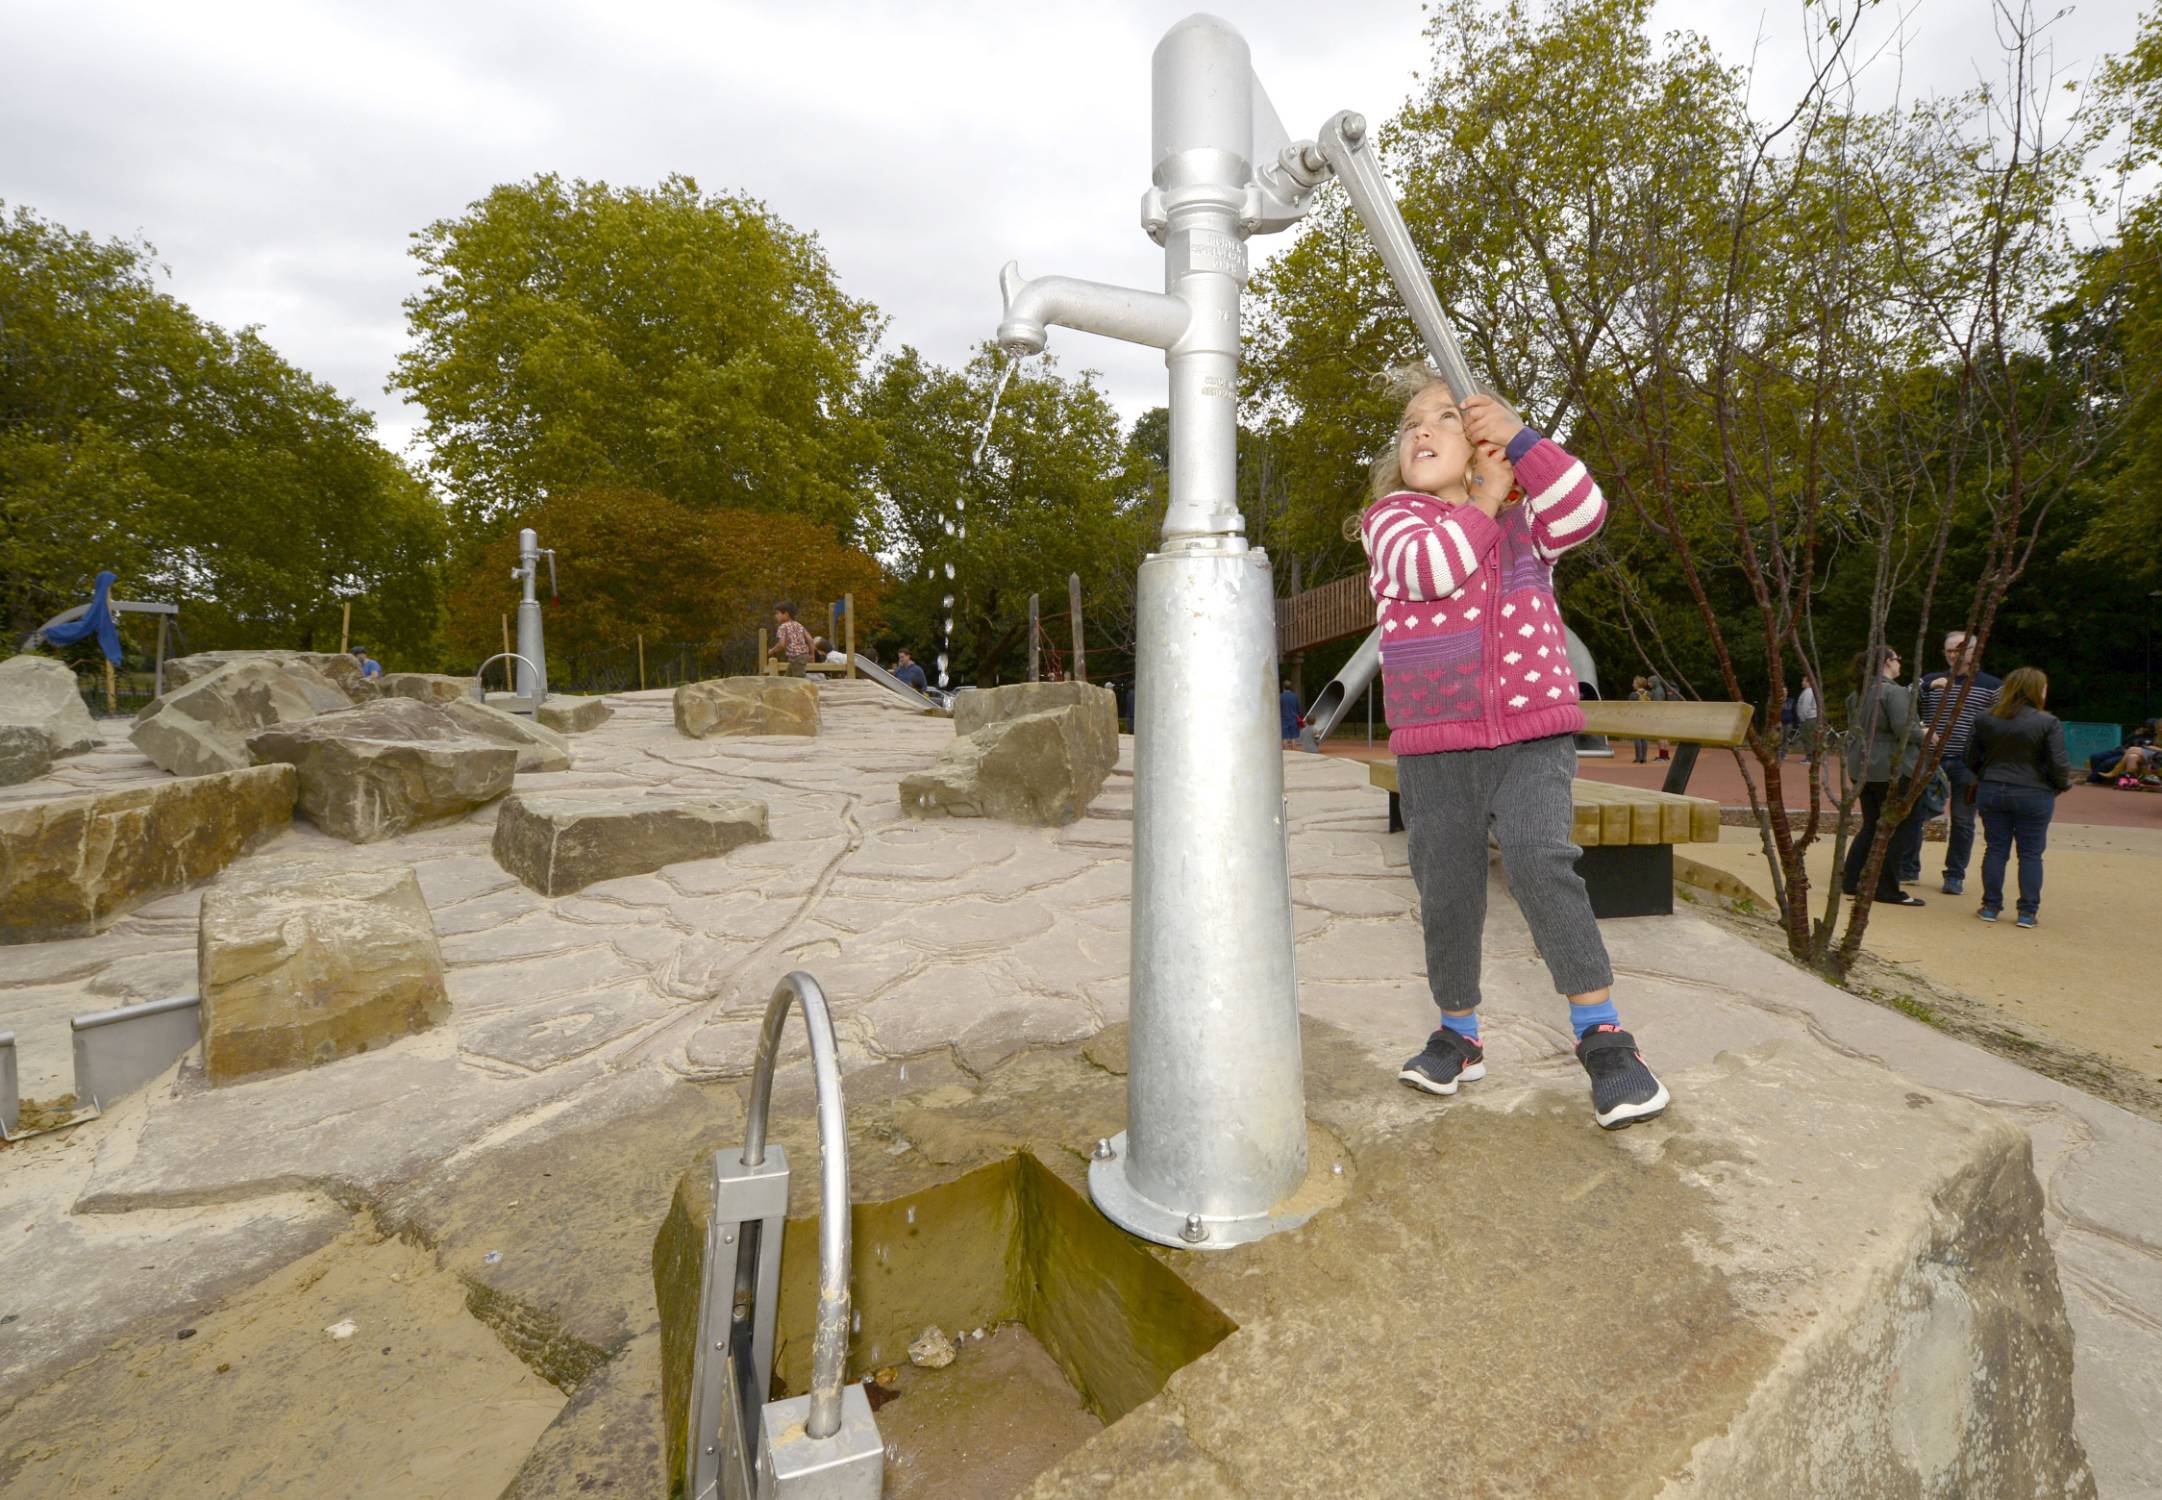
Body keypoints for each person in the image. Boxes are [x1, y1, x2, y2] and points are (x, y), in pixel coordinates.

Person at [1361, 367, 1667, 1129]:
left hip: (1531, 734)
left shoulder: (1528, 524)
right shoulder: (1393, 522)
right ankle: (1458, 1034)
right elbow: (1433, 570)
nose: (1422, 429)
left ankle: (1602, 1035)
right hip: (1436, 744)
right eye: (1411, 423)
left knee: (1539, 859)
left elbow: (1587, 509)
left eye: (1445, 417)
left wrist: (1521, 440)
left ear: (1480, 440)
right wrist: (1486, 500)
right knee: (1447, 886)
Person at [1964, 666, 2071, 928]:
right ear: (2037, 690)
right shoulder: (2048, 722)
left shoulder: (1985, 718)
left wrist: (1986, 774)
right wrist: (2060, 785)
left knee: (1995, 848)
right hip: (2034, 791)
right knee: (2031, 853)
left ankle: (1990, 906)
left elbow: (1970, 756)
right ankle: (2027, 911)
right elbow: (2058, 763)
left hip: (1992, 787)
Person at [1840, 645, 1928, 908]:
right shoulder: (1894, 692)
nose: (1900, 663)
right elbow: (1904, 728)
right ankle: (1886, 888)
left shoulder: (1858, 694)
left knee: (1871, 824)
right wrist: (1925, 733)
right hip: (1891, 767)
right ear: (1888, 662)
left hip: (1861, 766)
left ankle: (1852, 879)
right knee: (1899, 827)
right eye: (1898, 659)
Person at [1915, 631, 2002, 895]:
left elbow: (2000, 724)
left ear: (1975, 651)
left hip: (1969, 765)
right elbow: (1904, 708)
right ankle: (1908, 867)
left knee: (1963, 821)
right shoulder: (1929, 681)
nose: (1954, 655)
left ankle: (1954, 875)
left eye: (1959, 649)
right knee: (1915, 814)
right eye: (1949, 650)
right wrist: (1923, 719)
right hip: (1931, 760)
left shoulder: (1992, 686)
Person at [2087, 720, 2160, 786]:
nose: (2144, 729)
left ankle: (2092, 779)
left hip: (2129, 754)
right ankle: (2099, 779)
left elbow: (2149, 750)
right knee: (2094, 757)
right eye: (2144, 727)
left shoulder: (2155, 738)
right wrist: (2134, 734)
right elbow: (2123, 742)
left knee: (2107, 763)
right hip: (2120, 750)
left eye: (2147, 727)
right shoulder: (2139, 733)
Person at [768, 603, 812, 677]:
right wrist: (812, 654)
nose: (776, 616)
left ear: (786, 614)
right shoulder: (798, 625)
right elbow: (810, 639)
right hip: (803, 655)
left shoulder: (783, 627)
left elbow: (781, 644)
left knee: (799, 678)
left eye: (778, 613)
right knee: (788, 677)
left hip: (796, 656)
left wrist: (772, 650)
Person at [1628, 675, 1652, 763]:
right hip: (1646, 718)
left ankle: (1638, 757)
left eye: (1634, 683)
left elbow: (1629, 706)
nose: (1632, 685)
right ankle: (1644, 757)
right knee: (1644, 738)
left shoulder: (1633, 695)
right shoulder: (1649, 694)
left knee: (1637, 738)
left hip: (1636, 718)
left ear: (1638, 684)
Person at [1796, 677, 1820, 758]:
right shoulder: (1809, 691)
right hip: (1810, 718)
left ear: (1808, 682)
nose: (1802, 682)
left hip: (1808, 718)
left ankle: (1810, 757)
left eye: (1803, 681)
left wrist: (1802, 718)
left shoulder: (1808, 692)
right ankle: (1811, 756)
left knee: (1807, 737)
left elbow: (1806, 706)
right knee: (1809, 737)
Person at [1280, 680, 1304, 749]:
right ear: (1291, 687)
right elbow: (1299, 708)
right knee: (1293, 737)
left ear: (1283, 687)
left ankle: (1286, 753)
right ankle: (1293, 752)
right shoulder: (1295, 696)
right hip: (1294, 719)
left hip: (1283, 719)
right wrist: (1300, 717)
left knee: (1284, 737)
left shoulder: (1280, 696)